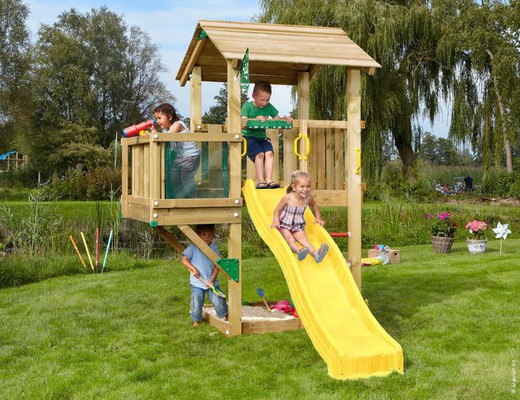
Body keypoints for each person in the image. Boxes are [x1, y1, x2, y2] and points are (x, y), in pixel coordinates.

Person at [241, 81, 293, 189]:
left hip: (261, 138)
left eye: (267, 100)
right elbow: (243, 123)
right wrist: (256, 119)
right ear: (254, 96)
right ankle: (261, 181)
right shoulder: (247, 106)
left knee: (269, 153)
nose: (265, 103)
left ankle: (269, 179)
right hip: (249, 137)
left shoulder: (269, 107)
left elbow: (277, 119)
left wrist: (286, 119)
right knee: (260, 154)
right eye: (262, 100)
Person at [271, 170, 329, 263]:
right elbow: (277, 210)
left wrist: (318, 217)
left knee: (305, 242)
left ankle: (317, 255)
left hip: (297, 226)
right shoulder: (288, 197)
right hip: (284, 225)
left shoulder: (308, 198)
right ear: (294, 187)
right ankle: (299, 252)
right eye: (302, 186)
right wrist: (276, 221)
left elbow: (314, 205)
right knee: (290, 239)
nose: (305, 189)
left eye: (308, 187)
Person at [181, 224, 228, 327]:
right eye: (204, 235)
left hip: (211, 282)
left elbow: (217, 265)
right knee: (196, 302)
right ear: (198, 235)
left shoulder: (213, 248)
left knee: (218, 300)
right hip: (197, 283)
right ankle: (197, 320)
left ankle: (223, 316)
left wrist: (212, 279)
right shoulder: (193, 248)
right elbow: (184, 259)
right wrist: (193, 269)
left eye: (210, 235)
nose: (208, 237)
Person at [152, 103, 200, 198]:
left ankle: (194, 200)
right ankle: (180, 198)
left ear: (169, 117)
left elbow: (170, 136)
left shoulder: (178, 125)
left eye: (160, 118)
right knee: (174, 177)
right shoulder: (166, 131)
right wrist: (153, 134)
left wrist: (155, 134)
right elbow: (163, 137)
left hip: (191, 155)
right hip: (181, 157)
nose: (158, 121)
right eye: (156, 119)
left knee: (186, 178)